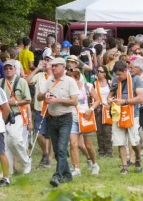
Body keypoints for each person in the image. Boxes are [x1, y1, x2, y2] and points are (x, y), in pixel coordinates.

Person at [38, 57, 79, 187]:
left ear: (62, 67)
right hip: (52, 118)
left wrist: (58, 100)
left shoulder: (70, 81)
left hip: (65, 118)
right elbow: (39, 96)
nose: (53, 68)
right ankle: (68, 175)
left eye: (56, 66)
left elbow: (74, 101)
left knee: (61, 148)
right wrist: (45, 95)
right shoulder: (49, 80)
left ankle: (57, 176)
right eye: (52, 66)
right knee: (57, 150)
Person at [108, 61, 143, 175]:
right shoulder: (115, 80)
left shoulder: (136, 79)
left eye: (119, 74)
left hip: (132, 114)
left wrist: (125, 101)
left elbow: (140, 98)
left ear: (126, 71)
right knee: (120, 141)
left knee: (134, 141)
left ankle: (138, 158)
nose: (118, 77)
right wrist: (110, 99)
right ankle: (124, 166)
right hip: (118, 114)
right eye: (116, 75)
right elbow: (110, 95)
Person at [0, 60, 32, 176]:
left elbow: (28, 100)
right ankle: (8, 170)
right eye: (6, 68)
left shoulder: (22, 81)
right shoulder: (0, 82)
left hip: (17, 114)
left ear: (15, 69)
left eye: (10, 68)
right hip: (4, 115)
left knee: (16, 139)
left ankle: (26, 162)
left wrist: (16, 102)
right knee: (5, 143)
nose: (8, 70)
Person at [68, 59, 99, 175]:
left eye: (74, 76)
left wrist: (90, 109)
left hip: (86, 117)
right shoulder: (68, 88)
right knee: (73, 144)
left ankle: (94, 164)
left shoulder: (87, 86)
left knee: (88, 145)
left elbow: (97, 100)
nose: (72, 79)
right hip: (72, 117)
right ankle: (76, 169)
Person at [30, 55, 54, 168]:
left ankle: (48, 159)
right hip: (40, 109)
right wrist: (37, 69)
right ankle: (45, 154)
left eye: (48, 60)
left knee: (50, 136)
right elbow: (27, 81)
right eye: (45, 60)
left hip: (53, 110)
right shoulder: (39, 75)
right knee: (39, 135)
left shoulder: (56, 77)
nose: (45, 62)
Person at [90, 65, 113, 157]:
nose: (98, 73)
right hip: (98, 109)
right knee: (99, 131)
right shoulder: (94, 84)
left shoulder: (110, 83)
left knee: (107, 131)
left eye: (100, 71)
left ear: (105, 73)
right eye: (97, 71)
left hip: (107, 108)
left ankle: (109, 150)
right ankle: (101, 150)